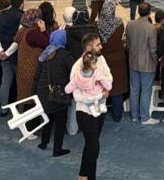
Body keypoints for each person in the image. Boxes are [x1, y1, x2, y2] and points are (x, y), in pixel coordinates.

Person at [66, 47, 112, 180]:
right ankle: (84, 175)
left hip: (98, 111)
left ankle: (86, 176)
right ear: (88, 47)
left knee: (91, 145)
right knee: (93, 147)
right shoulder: (77, 67)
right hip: (85, 113)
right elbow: (77, 96)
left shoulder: (100, 60)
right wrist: (99, 95)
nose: (101, 46)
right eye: (98, 44)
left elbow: (109, 77)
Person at [35, 28, 74, 157]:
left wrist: (34, 93)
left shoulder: (45, 54)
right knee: (60, 122)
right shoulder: (65, 55)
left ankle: (43, 142)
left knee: (48, 118)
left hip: (43, 92)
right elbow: (74, 72)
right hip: (59, 93)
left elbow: (37, 76)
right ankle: (57, 149)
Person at [125, 2, 159, 125]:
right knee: (145, 90)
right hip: (147, 64)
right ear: (149, 13)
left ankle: (134, 115)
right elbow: (153, 49)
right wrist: (156, 61)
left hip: (133, 61)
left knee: (134, 89)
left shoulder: (130, 24)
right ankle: (144, 117)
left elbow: (128, 44)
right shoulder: (151, 28)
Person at [97, 1, 128, 122]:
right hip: (118, 59)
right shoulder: (119, 23)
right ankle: (117, 116)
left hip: (103, 59)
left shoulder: (97, 25)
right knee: (117, 89)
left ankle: (100, 115)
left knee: (101, 87)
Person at [0, 0, 24, 111]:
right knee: (20, 83)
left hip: (3, 55)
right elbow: (18, 39)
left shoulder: (1, 15)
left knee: (5, 82)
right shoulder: (22, 17)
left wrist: (1, 51)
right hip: (16, 56)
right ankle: (21, 109)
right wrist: (8, 53)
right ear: (21, 4)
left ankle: (4, 108)